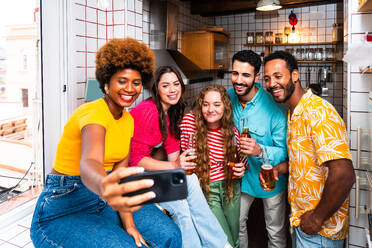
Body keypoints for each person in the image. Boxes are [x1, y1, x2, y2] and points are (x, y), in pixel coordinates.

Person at [30, 38, 181, 248]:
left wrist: (130, 226)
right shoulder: (93, 113)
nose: (130, 88)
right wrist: (104, 185)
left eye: (136, 82)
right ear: (107, 82)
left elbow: (120, 180)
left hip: (104, 200)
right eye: (122, 81)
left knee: (170, 235)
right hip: (65, 206)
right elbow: (90, 161)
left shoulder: (128, 120)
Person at [129, 66, 231, 248]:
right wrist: (176, 165)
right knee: (182, 207)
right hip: (130, 177)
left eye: (176, 84)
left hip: (146, 173)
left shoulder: (170, 112)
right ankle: (218, 245)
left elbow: (173, 153)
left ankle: (217, 244)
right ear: (156, 89)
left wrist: (181, 166)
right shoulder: (148, 111)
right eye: (166, 85)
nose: (172, 89)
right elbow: (135, 159)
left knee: (189, 180)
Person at [262, 50, 355, 248]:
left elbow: (344, 174)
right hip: (302, 221)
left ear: (295, 76)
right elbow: (304, 160)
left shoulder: (319, 112)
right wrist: (279, 169)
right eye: (267, 79)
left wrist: (317, 218)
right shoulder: (294, 112)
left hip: (320, 230)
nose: (271, 84)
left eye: (278, 76)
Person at [227, 50, 288, 248]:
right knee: (237, 225)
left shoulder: (276, 106)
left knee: (275, 230)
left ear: (257, 76)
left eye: (246, 75)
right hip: (241, 179)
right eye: (235, 73)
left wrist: (260, 150)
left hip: (270, 179)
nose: (239, 80)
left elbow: (285, 151)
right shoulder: (228, 97)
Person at [179, 85, 245, 248]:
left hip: (232, 188)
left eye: (217, 104)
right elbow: (181, 152)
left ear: (225, 107)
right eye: (206, 104)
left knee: (235, 239)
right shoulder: (190, 123)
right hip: (208, 189)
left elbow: (242, 162)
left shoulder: (233, 132)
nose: (210, 109)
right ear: (200, 106)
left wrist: (241, 168)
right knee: (223, 241)